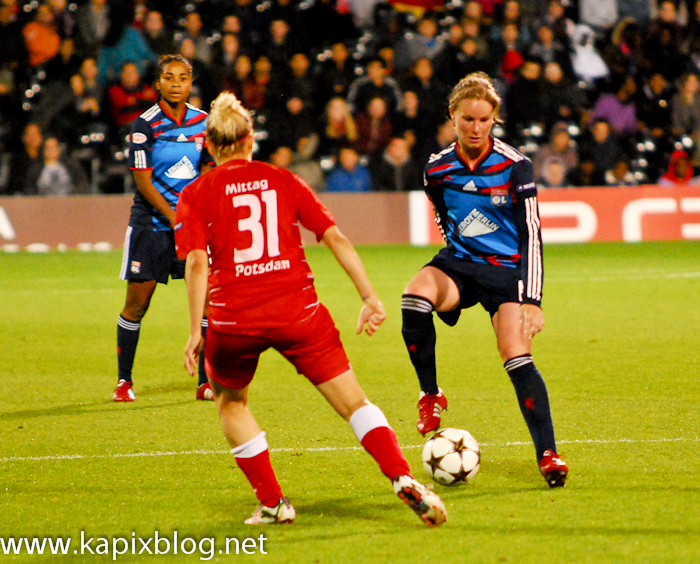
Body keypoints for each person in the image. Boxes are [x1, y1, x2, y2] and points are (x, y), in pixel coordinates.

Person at [174, 91, 447, 527]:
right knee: (355, 403)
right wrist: (369, 297)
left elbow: (195, 263)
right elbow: (334, 237)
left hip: (234, 319)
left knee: (231, 403)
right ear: (251, 140)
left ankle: (273, 503)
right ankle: (401, 476)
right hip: (297, 311)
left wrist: (195, 330)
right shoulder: (282, 179)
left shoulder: (195, 193)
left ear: (208, 145)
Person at [400, 72, 568, 488]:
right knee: (415, 296)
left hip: (506, 272)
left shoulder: (515, 166)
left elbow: (531, 233)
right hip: (459, 263)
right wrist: (458, 253)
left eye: (484, 120)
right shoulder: (437, 168)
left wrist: (532, 299)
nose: (476, 128)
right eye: (468, 119)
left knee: (516, 355)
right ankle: (430, 394)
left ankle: (548, 454)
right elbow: (443, 216)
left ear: (494, 118)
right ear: (452, 116)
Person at [114, 55, 213, 403]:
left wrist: (196, 212)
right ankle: (124, 381)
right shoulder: (144, 125)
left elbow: (208, 169)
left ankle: (205, 382)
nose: (176, 84)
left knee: (207, 303)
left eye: (182, 78)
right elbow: (143, 183)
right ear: (157, 84)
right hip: (152, 225)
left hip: (190, 226)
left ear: (190, 83)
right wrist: (175, 217)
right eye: (169, 77)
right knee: (137, 305)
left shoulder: (203, 123)